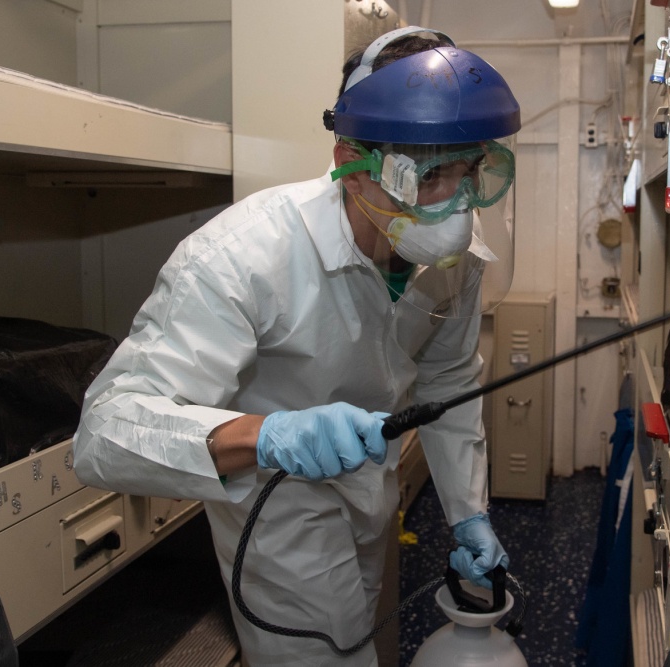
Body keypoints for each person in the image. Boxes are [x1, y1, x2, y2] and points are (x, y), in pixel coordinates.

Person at [73, 26, 521, 666]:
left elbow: (448, 382)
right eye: (424, 175)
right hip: (274, 504)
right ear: (348, 162)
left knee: (358, 637)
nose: (455, 206)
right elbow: (105, 431)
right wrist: (267, 435)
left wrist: (467, 512)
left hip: (371, 491)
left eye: (471, 171)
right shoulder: (242, 256)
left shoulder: (455, 259)